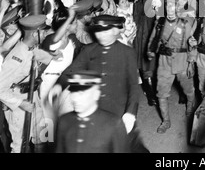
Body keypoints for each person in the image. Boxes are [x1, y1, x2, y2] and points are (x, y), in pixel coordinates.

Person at [65, 15, 146, 152]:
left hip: (119, 113)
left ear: (115, 31)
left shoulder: (127, 53)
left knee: (129, 147)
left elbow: (133, 85)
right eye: (97, 31)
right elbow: (71, 73)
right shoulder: (89, 50)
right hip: (95, 112)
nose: (100, 35)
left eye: (105, 31)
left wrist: (130, 113)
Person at [147, 0, 197, 133]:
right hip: (164, 63)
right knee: (161, 93)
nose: (170, 8)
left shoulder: (184, 23)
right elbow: (153, 39)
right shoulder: (160, 23)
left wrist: (191, 61)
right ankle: (166, 121)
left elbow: (191, 43)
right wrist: (150, 51)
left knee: (189, 89)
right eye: (167, 5)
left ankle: (190, 106)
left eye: (172, 5)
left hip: (182, 61)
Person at [0, 14, 49, 153]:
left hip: (33, 99)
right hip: (20, 104)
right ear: (35, 33)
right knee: (20, 145)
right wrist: (20, 104)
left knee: (43, 137)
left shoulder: (32, 49)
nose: (46, 34)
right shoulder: (17, 57)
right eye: (43, 31)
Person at [55, 70, 129, 153]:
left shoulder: (113, 124)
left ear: (96, 95)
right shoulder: (64, 121)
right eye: (73, 92)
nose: (75, 98)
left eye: (81, 93)